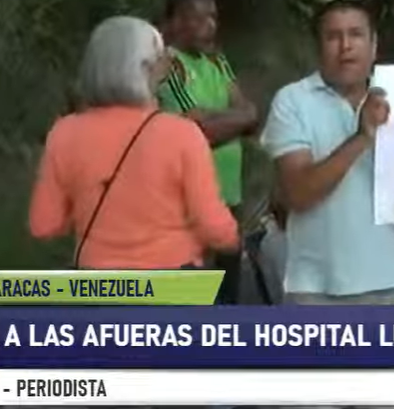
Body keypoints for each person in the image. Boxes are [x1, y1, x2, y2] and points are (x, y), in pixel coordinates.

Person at [29, 17, 239, 269]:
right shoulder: (183, 134)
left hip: (96, 287)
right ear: (146, 68)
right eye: (162, 58)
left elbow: (44, 225)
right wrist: (234, 241)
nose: (168, 64)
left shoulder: (64, 133)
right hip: (171, 285)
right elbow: (213, 227)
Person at [259, 0, 394, 305]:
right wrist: (362, 137)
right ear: (318, 46)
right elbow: (298, 194)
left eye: (356, 34)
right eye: (333, 36)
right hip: (315, 291)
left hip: (392, 283)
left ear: (374, 43)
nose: (346, 46)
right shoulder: (291, 101)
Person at [157, 0, 259, 304]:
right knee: (190, 287)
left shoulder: (217, 62)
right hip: (187, 198)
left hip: (229, 193)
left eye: (212, 18)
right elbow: (195, 128)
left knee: (229, 285)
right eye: (198, 18)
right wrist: (234, 120)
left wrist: (223, 121)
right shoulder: (169, 66)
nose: (210, 26)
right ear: (174, 22)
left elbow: (252, 114)